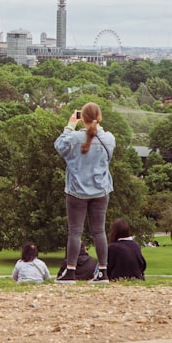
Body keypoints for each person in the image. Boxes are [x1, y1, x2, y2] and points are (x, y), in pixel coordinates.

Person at [54, 102, 115, 283]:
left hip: (77, 191)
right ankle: (103, 271)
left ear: (83, 118)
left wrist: (71, 124)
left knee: (75, 232)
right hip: (100, 189)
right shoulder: (109, 138)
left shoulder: (73, 138)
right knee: (99, 231)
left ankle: (71, 271)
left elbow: (58, 145)